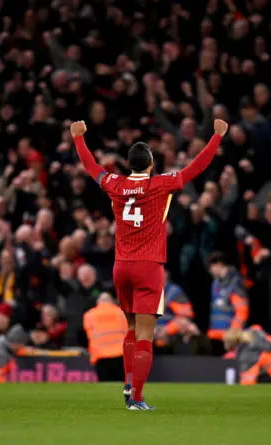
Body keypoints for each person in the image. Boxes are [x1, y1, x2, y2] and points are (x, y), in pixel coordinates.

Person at [71, 118, 228, 410]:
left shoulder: (115, 184)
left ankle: (129, 382)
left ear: (129, 164)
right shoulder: (159, 185)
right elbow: (196, 168)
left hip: (121, 267)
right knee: (145, 335)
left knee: (130, 328)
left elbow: (92, 168)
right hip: (148, 266)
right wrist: (217, 137)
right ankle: (137, 398)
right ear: (151, 163)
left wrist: (78, 138)